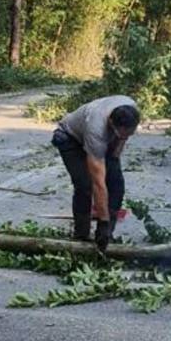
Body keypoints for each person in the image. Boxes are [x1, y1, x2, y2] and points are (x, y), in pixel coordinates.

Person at [52, 96, 140, 251]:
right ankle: (81, 236)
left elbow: (120, 142)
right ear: (112, 123)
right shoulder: (96, 130)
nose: (126, 137)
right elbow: (98, 183)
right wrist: (103, 221)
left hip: (105, 136)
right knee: (85, 185)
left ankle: (107, 237)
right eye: (122, 133)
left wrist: (114, 157)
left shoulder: (131, 109)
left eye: (129, 134)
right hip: (70, 138)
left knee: (116, 184)